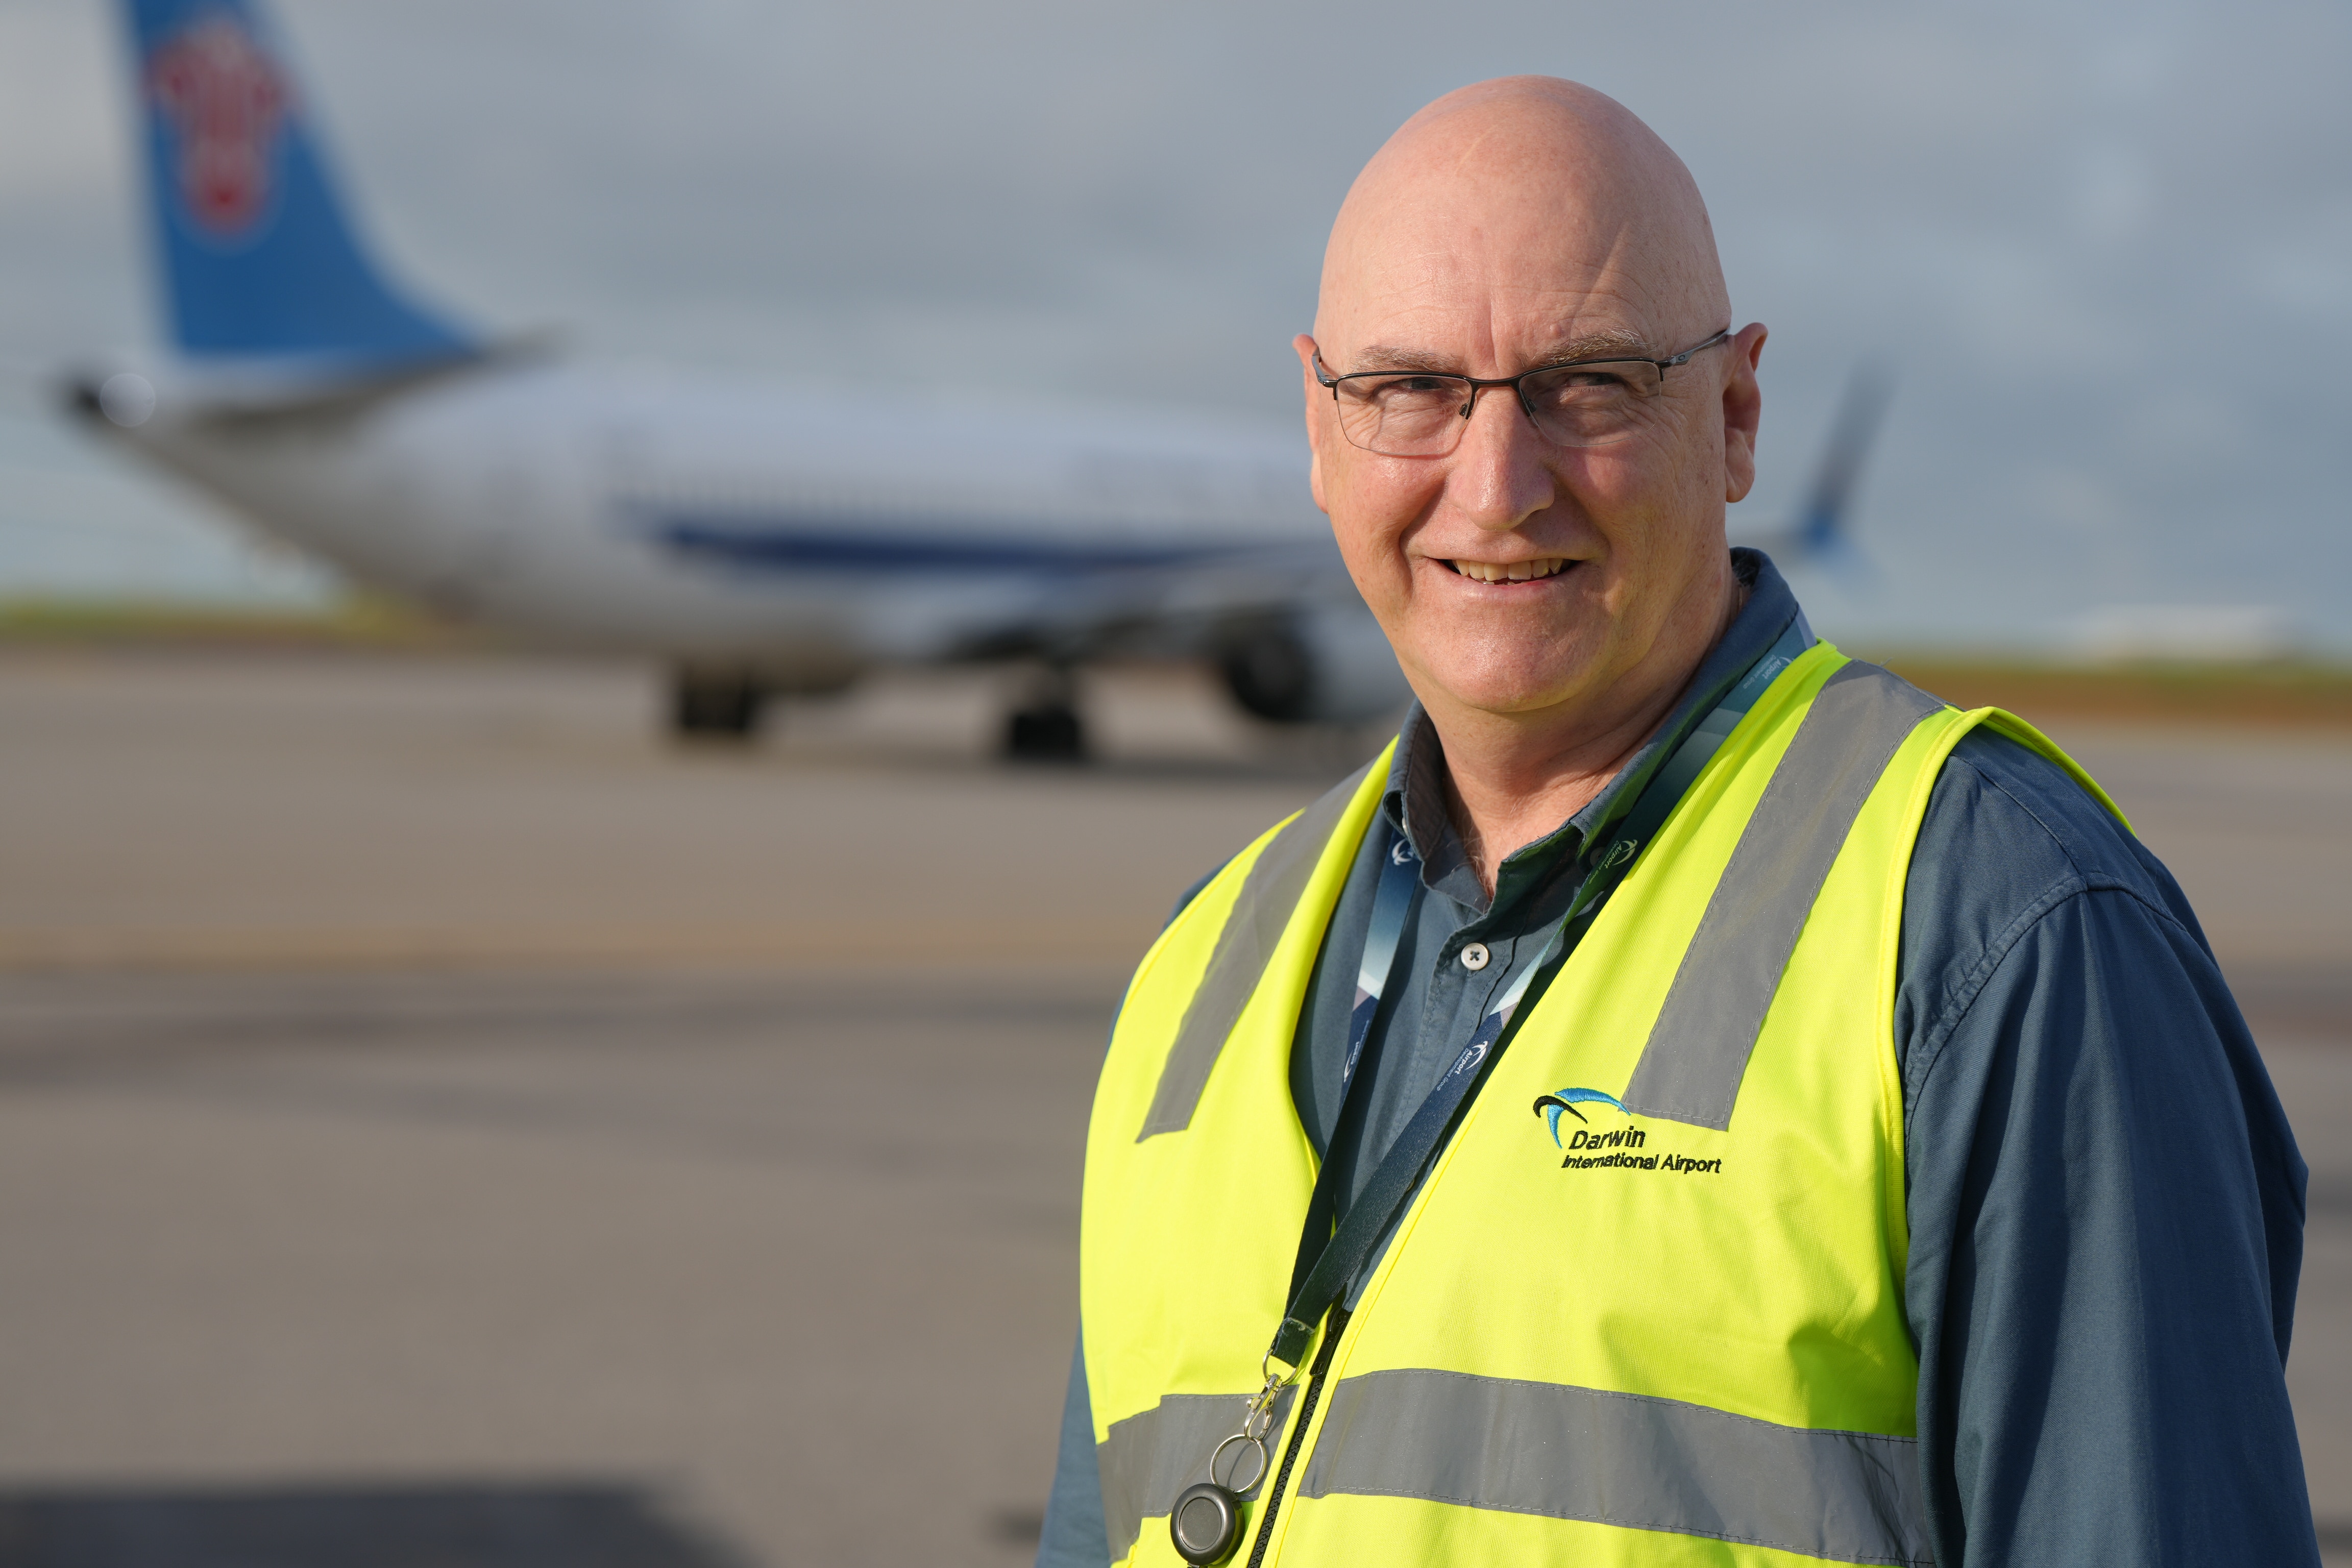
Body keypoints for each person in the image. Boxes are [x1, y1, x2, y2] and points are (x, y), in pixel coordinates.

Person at [1038, 78, 2316, 1568]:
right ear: (1322, 429)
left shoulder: (1997, 925)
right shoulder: (1207, 964)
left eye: (1588, 382)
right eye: (1410, 391)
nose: (1497, 487)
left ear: (1735, 417)